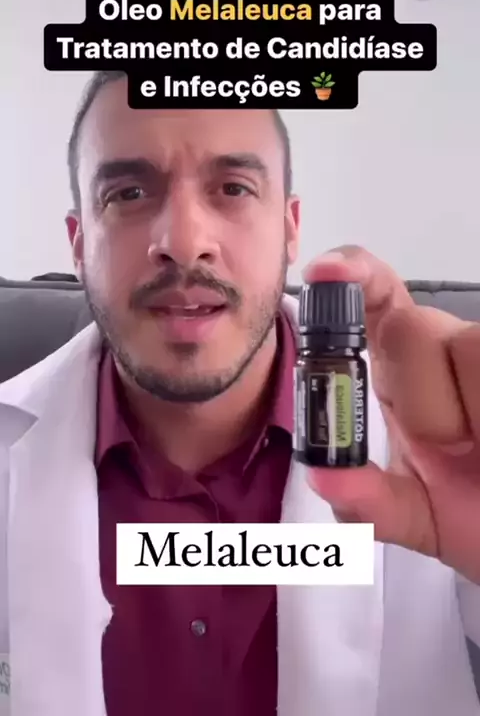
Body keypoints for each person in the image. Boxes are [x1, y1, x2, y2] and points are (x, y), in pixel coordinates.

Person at [0, 70, 479, 716]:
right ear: (80, 244)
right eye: (129, 192)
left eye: (233, 188)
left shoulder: (432, 439)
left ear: (289, 227)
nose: (184, 243)